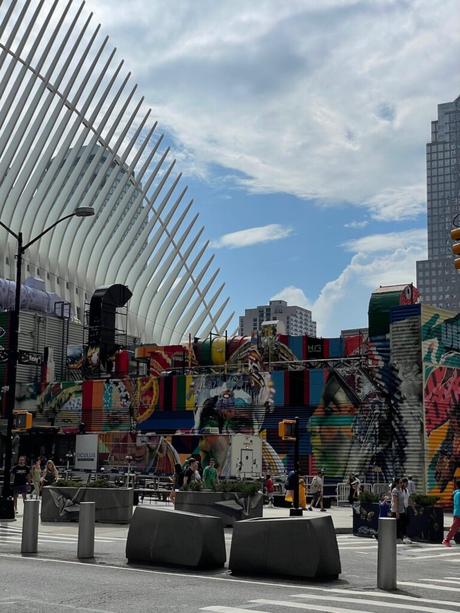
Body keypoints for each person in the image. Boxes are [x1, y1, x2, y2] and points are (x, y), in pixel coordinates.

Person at [443, 479, 460, 547]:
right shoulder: (458, 494)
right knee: (454, 528)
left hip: (457, 512)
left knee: (454, 528)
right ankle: (446, 540)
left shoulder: (456, 493)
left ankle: (447, 540)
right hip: (458, 513)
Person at [391, 478, 408, 542]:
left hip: (402, 510)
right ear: (396, 483)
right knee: (396, 526)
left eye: (401, 483)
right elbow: (395, 502)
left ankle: (401, 537)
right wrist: (397, 512)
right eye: (400, 483)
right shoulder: (395, 490)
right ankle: (396, 538)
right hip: (396, 511)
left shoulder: (400, 490)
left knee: (402, 525)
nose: (401, 484)